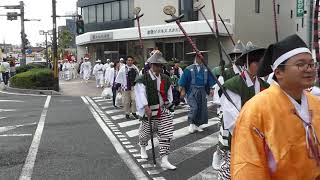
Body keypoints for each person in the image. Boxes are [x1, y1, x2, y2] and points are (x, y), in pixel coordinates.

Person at [231, 34, 320, 179]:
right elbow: (248, 166)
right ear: (278, 72)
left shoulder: (316, 104)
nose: (309, 69)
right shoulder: (256, 110)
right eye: (300, 64)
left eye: (311, 64)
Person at [213, 42, 269, 180]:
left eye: (261, 62)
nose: (260, 65)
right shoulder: (233, 85)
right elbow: (233, 119)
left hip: (262, 138)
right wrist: (252, 130)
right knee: (232, 169)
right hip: (241, 137)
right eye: (256, 62)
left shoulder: (265, 86)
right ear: (247, 63)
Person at [135, 51, 176, 170]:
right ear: (151, 65)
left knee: (166, 134)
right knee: (145, 133)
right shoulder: (143, 79)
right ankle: (142, 147)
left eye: (161, 65)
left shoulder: (166, 78)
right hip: (149, 110)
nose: (160, 67)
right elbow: (140, 94)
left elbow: (169, 94)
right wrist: (145, 106)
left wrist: (170, 106)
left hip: (163, 110)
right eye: (158, 65)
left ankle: (164, 159)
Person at [178, 51, 216, 133]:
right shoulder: (189, 69)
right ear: (195, 58)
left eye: (201, 58)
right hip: (192, 91)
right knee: (194, 107)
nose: (200, 59)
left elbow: (210, 80)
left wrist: (212, 89)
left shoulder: (206, 69)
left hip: (202, 91)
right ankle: (191, 124)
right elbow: (183, 81)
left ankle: (197, 124)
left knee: (201, 108)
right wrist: (182, 90)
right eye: (198, 57)